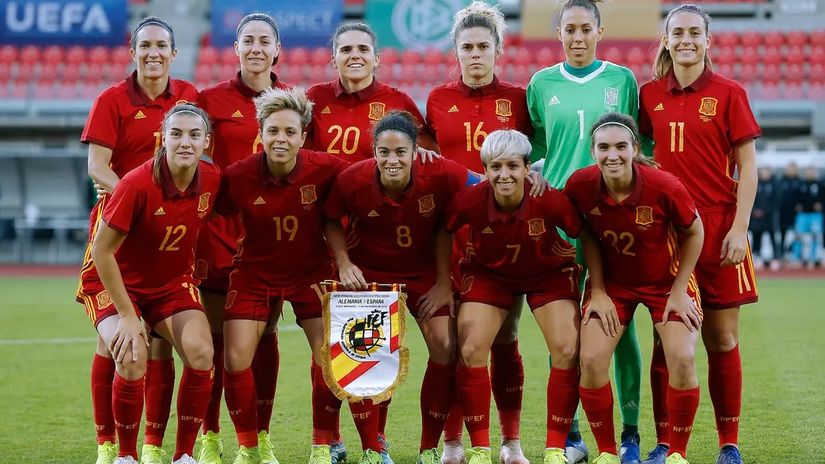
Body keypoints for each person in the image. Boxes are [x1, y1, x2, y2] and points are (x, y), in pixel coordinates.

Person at [214, 87, 364, 464]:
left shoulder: (328, 168)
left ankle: (321, 445)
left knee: (331, 355)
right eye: (273, 131)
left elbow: (370, 183)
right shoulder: (238, 175)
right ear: (260, 134)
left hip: (310, 273)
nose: (281, 139)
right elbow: (201, 209)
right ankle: (250, 447)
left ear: (303, 135)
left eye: (290, 132)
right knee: (234, 358)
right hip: (253, 274)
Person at [639, 5, 761, 464]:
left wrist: (740, 228)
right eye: (678, 33)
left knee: (722, 340)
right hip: (667, 234)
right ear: (666, 41)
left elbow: (748, 166)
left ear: (708, 41)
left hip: (719, 228)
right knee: (665, 340)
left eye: (695, 32)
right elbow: (639, 154)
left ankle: (729, 444)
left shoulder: (730, 93)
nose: (686, 40)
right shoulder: (649, 94)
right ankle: (664, 443)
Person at [324, 111, 480, 464]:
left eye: (400, 152)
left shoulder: (441, 171)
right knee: (367, 351)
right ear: (374, 152)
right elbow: (330, 218)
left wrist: (443, 284)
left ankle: (429, 447)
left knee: (446, 346)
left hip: (425, 275)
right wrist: (344, 263)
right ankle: (373, 447)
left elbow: (485, 184)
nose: (392, 160)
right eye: (384, 152)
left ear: (415, 152)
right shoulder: (353, 180)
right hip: (371, 275)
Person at [77, 17, 198, 464]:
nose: (153, 53)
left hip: (169, 234)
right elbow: (97, 167)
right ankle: (109, 444)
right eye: (145, 45)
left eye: (161, 45)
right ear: (133, 52)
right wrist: (138, 199)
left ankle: (152, 445)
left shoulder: (189, 97)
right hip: (120, 230)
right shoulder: (111, 99)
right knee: (113, 341)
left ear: (173, 53)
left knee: (161, 342)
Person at [526, 1, 643, 462]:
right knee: (565, 331)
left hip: (612, 220)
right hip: (559, 223)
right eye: (569, 29)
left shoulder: (622, 80)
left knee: (620, 325)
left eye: (585, 29)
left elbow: (637, 144)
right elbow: (536, 147)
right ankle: (571, 436)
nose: (577, 37)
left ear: (600, 31)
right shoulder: (541, 84)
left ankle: (629, 435)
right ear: (558, 33)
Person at [81, 103, 220, 464]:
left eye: (194, 135)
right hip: (114, 281)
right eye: (176, 134)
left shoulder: (213, 179)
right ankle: (126, 456)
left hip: (170, 282)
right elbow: (102, 251)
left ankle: (184, 455)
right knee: (131, 354)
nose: (185, 142)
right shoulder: (136, 184)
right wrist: (128, 316)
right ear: (163, 140)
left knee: (201, 352)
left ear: (206, 141)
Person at [425, 3, 532, 462]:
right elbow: (427, 159)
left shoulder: (519, 99)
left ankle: (511, 442)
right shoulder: (436, 100)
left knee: (505, 337)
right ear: (456, 51)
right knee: (455, 341)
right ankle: (453, 443)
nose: (474, 54)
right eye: (466, 47)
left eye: (482, 46)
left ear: (498, 49)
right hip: (452, 235)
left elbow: (537, 157)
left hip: (506, 235)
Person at [565, 113, 704, 464]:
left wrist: (679, 291)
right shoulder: (580, 184)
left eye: (620, 146)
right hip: (614, 286)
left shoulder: (664, 186)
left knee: (683, 358)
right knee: (591, 360)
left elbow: (695, 231)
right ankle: (608, 452)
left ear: (635, 148)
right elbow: (585, 233)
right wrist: (598, 290)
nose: (612, 155)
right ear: (593, 151)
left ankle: (677, 453)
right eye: (604, 147)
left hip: (667, 284)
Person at [444, 130, 582, 464]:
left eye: (512, 166)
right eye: (496, 167)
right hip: (490, 276)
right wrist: (440, 281)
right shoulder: (469, 200)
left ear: (527, 168)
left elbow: (583, 233)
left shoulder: (548, 198)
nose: (504, 174)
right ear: (485, 170)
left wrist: (598, 286)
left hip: (546, 276)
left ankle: (554, 449)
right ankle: (480, 450)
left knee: (567, 349)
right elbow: (441, 230)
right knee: (470, 348)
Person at [194, 13, 289, 463]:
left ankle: (260, 438)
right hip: (219, 234)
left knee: (265, 334)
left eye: (264, 40)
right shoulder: (209, 100)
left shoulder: (293, 102)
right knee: (217, 339)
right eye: (247, 40)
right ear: (235, 49)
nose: (256, 48)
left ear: (277, 50)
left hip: (272, 238)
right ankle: (210, 436)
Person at [305, 23, 438, 162]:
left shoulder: (399, 101)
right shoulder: (315, 96)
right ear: (333, 61)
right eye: (346, 50)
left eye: (363, 49)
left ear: (376, 59)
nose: (355, 55)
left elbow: (429, 152)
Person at [793, 166, 823, 268]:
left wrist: (821, 205)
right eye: (809, 171)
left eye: (812, 171)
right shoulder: (801, 184)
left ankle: (815, 258)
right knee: (798, 236)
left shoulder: (820, 184)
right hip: (803, 215)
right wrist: (797, 205)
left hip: (815, 215)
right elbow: (795, 197)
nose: (810, 173)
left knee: (816, 236)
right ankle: (798, 258)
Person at [750, 167, 780, 270]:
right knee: (757, 237)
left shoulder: (774, 184)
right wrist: (754, 210)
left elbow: (777, 200)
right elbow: (751, 198)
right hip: (756, 218)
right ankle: (757, 257)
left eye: (766, 171)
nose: (764, 173)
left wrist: (765, 211)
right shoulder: (756, 183)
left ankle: (775, 258)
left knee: (772, 237)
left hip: (769, 218)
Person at [778, 162, 802, 262]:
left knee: (796, 234)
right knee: (782, 233)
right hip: (783, 213)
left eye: (793, 168)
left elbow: (802, 196)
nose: (791, 170)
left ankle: (796, 254)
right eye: (789, 168)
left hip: (795, 213)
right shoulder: (781, 181)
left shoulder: (799, 182)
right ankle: (782, 253)